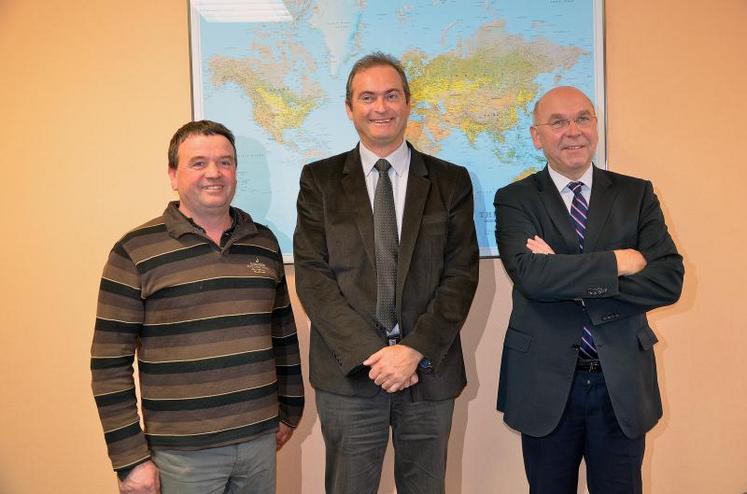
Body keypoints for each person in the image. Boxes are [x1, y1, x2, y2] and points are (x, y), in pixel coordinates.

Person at [293, 51, 479, 494]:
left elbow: (460, 276)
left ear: (408, 103)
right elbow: (314, 279)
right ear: (349, 108)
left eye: (392, 95)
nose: (381, 107)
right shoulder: (318, 180)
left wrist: (413, 350)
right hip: (351, 374)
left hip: (428, 371)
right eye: (368, 97)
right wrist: (375, 357)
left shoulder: (451, 181)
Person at [91, 120, 304, 494]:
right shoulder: (134, 251)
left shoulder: (263, 243)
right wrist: (130, 459)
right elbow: (109, 364)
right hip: (182, 456)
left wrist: (289, 411)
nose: (214, 173)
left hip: (259, 444)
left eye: (225, 162)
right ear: (173, 175)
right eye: (198, 163)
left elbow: (283, 336)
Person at [493, 86, 684, 493]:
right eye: (558, 122)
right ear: (536, 136)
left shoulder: (637, 194)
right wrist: (620, 261)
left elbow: (668, 280)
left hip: (621, 385)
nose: (573, 131)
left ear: (596, 126)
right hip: (545, 383)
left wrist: (564, 273)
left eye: (583, 119)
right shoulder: (515, 199)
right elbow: (532, 278)